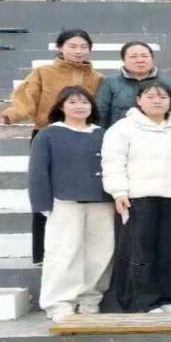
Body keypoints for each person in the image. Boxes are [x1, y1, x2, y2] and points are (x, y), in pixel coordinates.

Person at [1, 29, 104, 264]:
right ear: (60, 47)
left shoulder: (98, 78)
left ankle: (78, 253)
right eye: (72, 46)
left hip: (83, 138)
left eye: (83, 47)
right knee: (44, 192)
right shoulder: (43, 73)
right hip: (48, 136)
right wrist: (13, 114)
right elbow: (26, 100)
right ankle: (42, 254)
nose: (78, 51)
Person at [100, 81, 171, 313]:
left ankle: (170, 298)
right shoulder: (123, 128)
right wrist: (118, 191)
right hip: (138, 198)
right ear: (139, 100)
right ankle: (145, 301)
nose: (157, 101)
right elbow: (113, 161)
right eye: (150, 96)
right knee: (140, 251)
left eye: (163, 97)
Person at [27, 86, 114, 321]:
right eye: (73, 102)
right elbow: (38, 172)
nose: (79, 106)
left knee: (100, 253)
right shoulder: (48, 134)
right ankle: (59, 303)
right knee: (63, 253)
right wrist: (42, 205)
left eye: (85, 102)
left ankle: (89, 299)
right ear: (61, 106)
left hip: (102, 201)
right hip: (65, 202)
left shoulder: (103, 134)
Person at [96, 42, 171, 125]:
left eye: (145, 56)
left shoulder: (168, 82)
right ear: (123, 60)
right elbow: (101, 113)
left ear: (152, 58)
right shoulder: (110, 82)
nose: (140, 60)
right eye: (133, 56)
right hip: (121, 132)